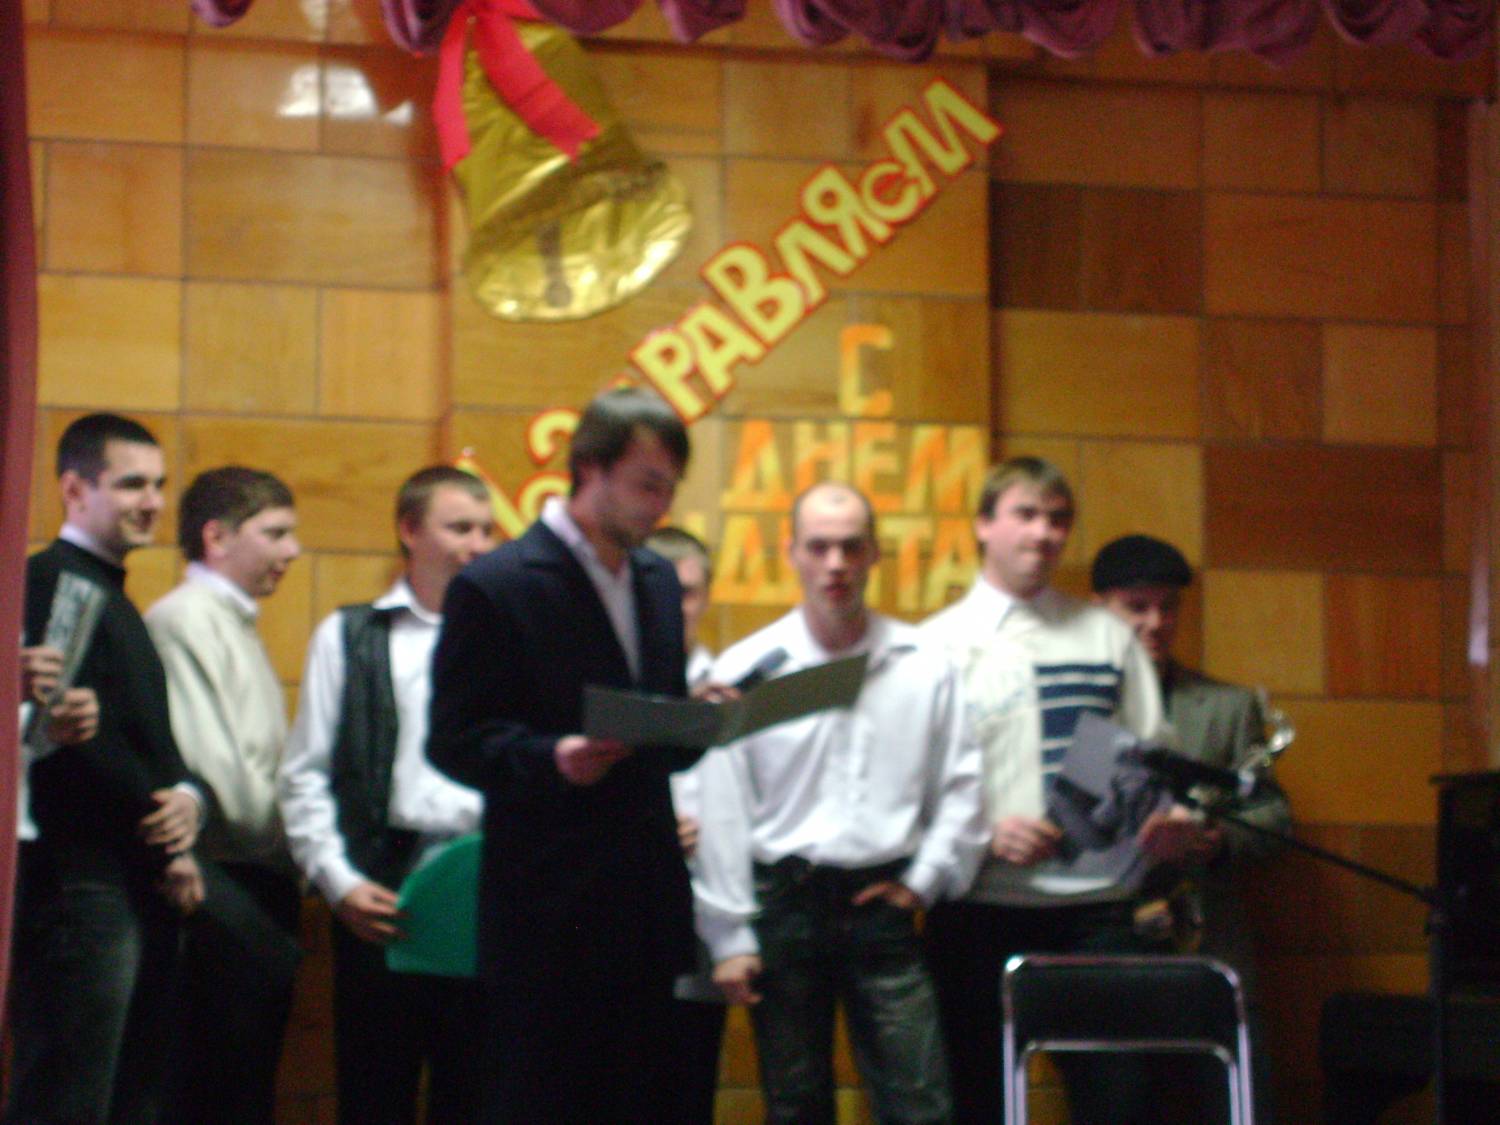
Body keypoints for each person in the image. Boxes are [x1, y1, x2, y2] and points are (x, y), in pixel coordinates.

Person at [427, 386, 698, 1125]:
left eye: (670, 488)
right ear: (589, 469)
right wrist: (551, 758)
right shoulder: (497, 583)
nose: (660, 507)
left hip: (644, 905)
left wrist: (697, 723)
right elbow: (453, 739)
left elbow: (658, 729)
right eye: (647, 484)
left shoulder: (657, 580)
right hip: (547, 911)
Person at [700, 481, 988, 1125]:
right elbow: (723, 811)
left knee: (921, 1105)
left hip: (881, 902)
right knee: (795, 1105)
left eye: (851, 547)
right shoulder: (749, 670)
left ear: (875, 554)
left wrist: (922, 882)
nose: (836, 564)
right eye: (819, 547)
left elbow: (963, 785)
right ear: (791, 553)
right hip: (783, 902)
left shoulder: (924, 662)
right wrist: (728, 935)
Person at [921, 455, 1166, 1125]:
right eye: (1025, 514)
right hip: (978, 904)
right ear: (983, 524)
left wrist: (1164, 820)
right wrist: (984, 832)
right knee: (976, 1099)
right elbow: (905, 787)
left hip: (1096, 910)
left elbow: (1150, 756)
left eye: (1058, 519)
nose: (1043, 533)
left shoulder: (1108, 636)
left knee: (1120, 1101)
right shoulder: (934, 645)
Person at [279, 466, 495, 1125]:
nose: (478, 545)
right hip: (380, 886)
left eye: (486, 530)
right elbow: (304, 774)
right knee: (375, 1092)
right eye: (460, 527)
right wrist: (339, 883)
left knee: (476, 1094)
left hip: (486, 883)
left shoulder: (510, 639)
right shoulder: (349, 635)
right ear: (409, 530)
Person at [7, 412, 206, 1125]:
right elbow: (70, 744)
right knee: (69, 1096)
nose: (151, 501)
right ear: (74, 489)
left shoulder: (109, 593)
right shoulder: (53, 583)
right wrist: (169, 830)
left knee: (123, 1096)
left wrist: (188, 799)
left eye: (158, 484)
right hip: (79, 879)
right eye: (130, 484)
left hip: (119, 873)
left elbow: (145, 738)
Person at [1092, 533, 1291, 1124]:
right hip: (1101, 946)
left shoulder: (1229, 707)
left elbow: (1275, 817)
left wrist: (1216, 840)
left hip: (1206, 946)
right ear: (1100, 608)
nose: (1156, 623)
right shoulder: (1070, 709)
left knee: (1237, 1107)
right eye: (1137, 607)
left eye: (1168, 607)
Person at [145, 466, 303, 1124]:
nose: (293, 550)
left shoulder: (229, 620)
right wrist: (301, 839)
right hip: (224, 878)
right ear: (217, 536)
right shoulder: (185, 619)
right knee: (218, 1087)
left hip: (251, 875)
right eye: (276, 533)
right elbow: (218, 773)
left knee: (242, 1082)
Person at [645, 526, 728, 1124]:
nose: (676, 609)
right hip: (614, 936)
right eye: (661, 594)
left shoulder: (729, 692)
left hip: (705, 929)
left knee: (689, 1095)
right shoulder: (601, 687)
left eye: (689, 594)